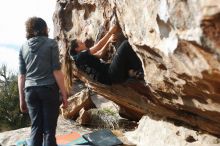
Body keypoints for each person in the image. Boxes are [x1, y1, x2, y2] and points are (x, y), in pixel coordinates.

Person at [18, 17, 68, 146]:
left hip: (30, 91)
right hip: (48, 90)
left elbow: (21, 76)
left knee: (35, 128)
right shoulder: (51, 44)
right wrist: (64, 94)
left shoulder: (23, 47)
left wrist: (22, 99)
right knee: (49, 130)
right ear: (45, 29)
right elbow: (56, 71)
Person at [68, 25, 143, 85]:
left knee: (121, 54)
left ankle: (133, 72)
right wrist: (110, 32)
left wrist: (109, 42)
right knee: (125, 44)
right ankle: (140, 69)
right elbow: (98, 46)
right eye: (81, 43)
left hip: (113, 78)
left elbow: (100, 54)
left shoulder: (78, 61)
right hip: (111, 74)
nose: (84, 43)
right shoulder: (81, 56)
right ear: (77, 49)